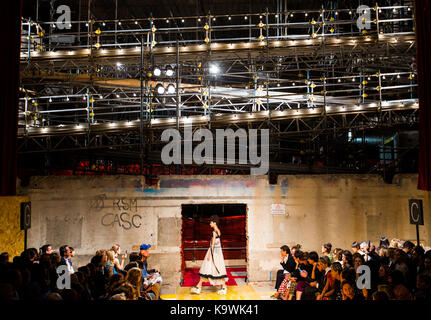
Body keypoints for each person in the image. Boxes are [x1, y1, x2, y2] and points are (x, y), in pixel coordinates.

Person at [191, 215, 228, 295]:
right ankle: (199, 286)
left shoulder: (214, 232)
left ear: (214, 222)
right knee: (213, 270)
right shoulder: (218, 231)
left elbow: (213, 244)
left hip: (213, 253)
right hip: (217, 253)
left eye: (211, 222)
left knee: (208, 269)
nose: (210, 224)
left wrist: (209, 255)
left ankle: (199, 287)